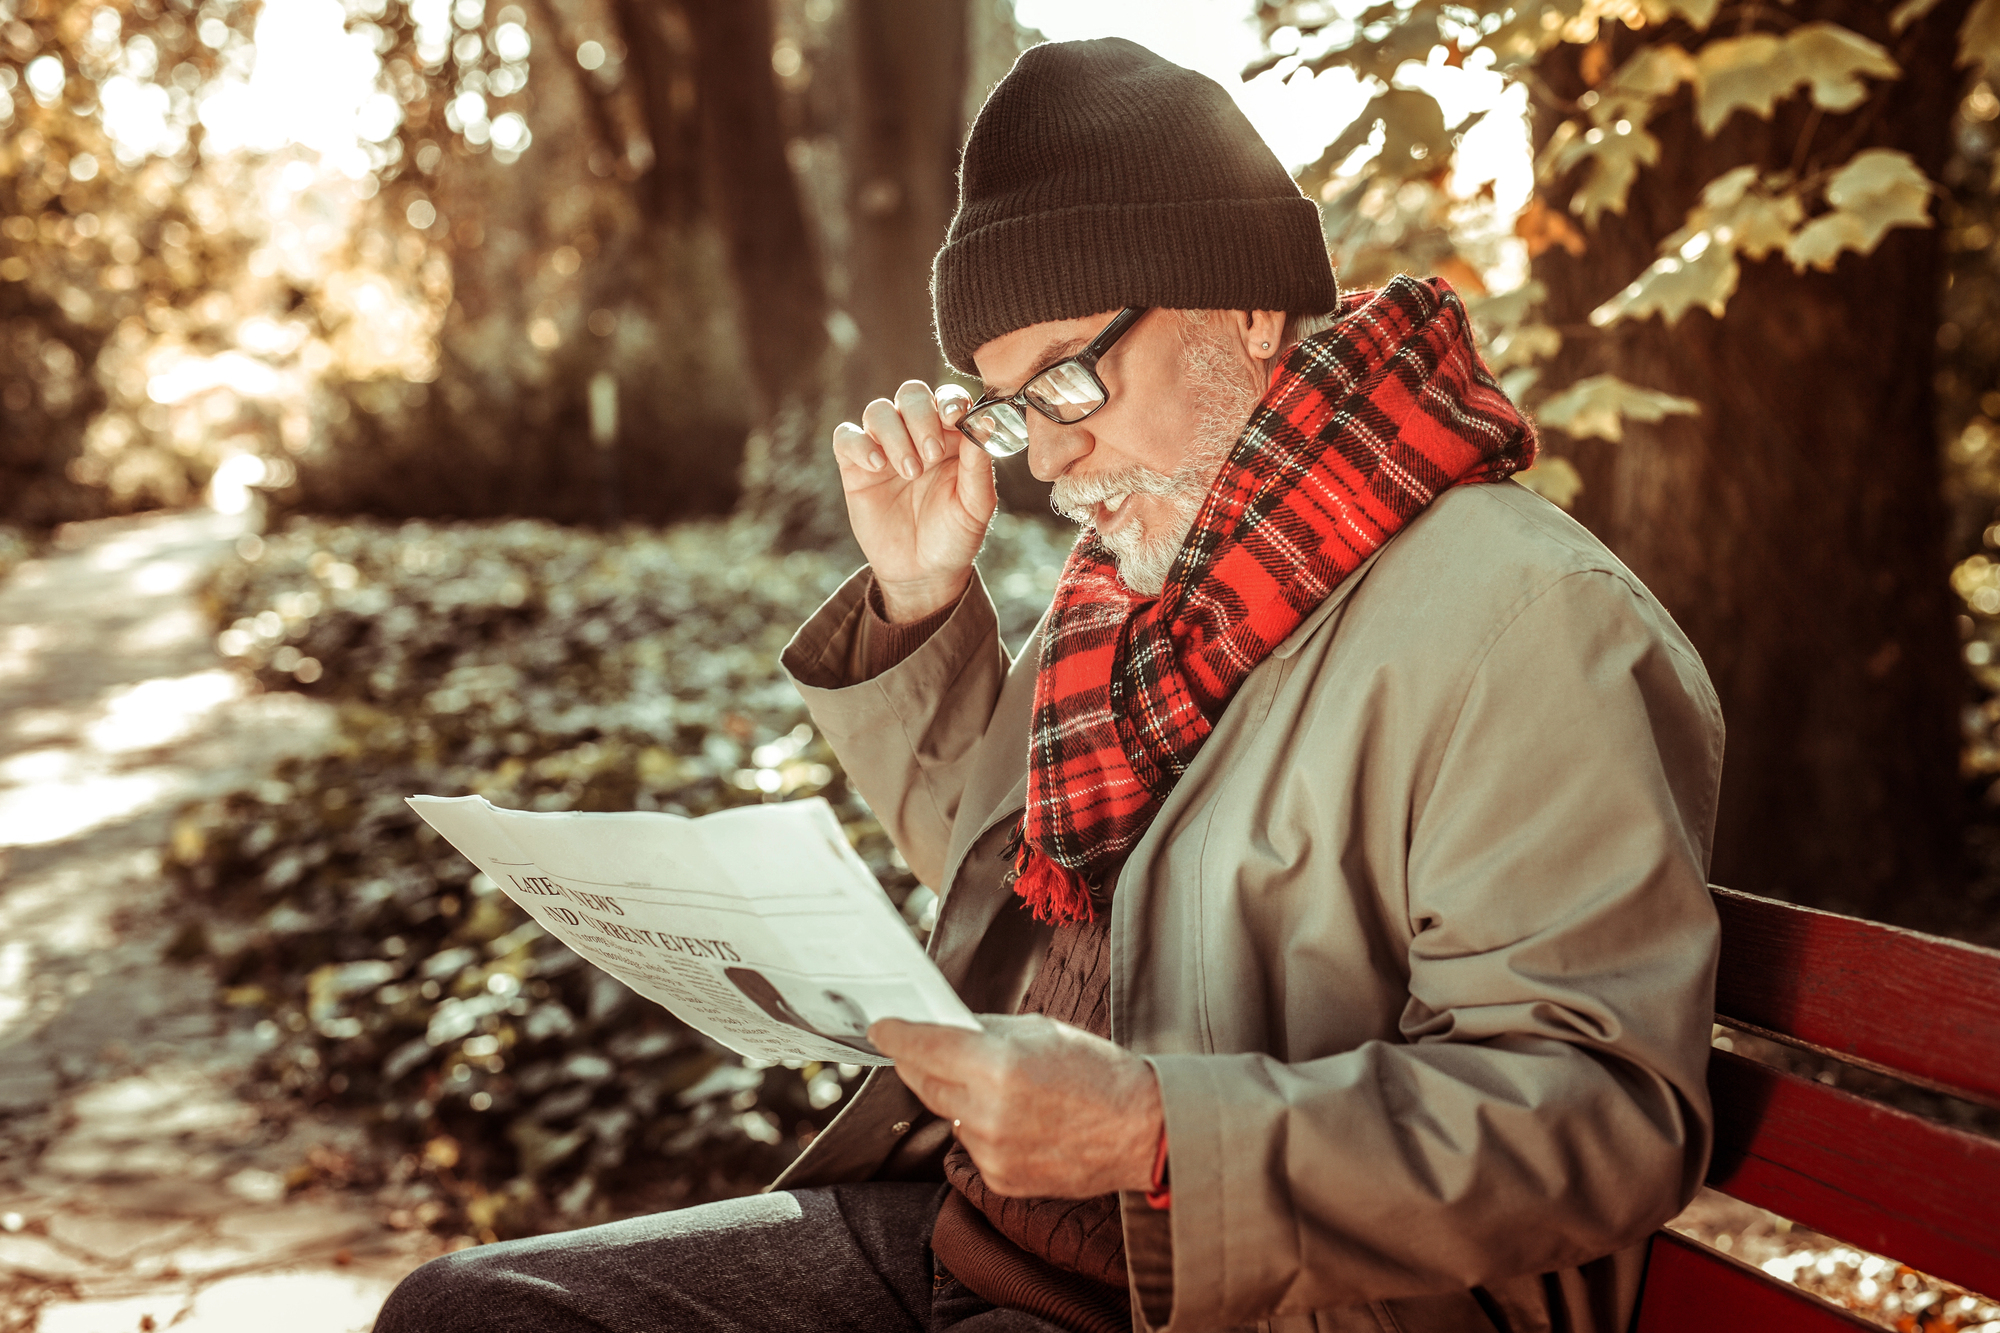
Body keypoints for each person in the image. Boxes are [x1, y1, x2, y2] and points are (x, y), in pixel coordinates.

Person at [375, 36, 1723, 1333]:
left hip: (1236, 1301)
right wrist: (918, 599)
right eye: (1013, 404)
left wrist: (1153, 1134)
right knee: (473, 1313)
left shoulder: (1527, 617)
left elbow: (1601, 1121)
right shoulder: (1144, 581)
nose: (1043, 459)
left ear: (1245, 307)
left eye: (1071, 377)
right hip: (973, 1234)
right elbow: (1025, 891)